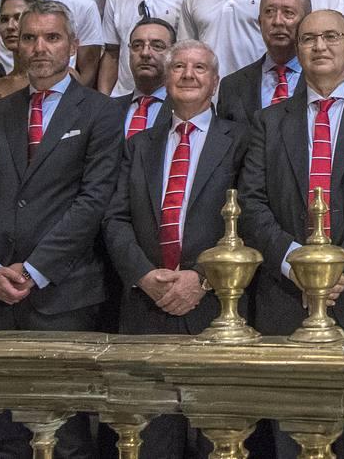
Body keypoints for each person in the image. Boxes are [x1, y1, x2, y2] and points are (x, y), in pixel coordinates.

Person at [239, 10, 344, 459]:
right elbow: (252, 202)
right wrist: (298, 266)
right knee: (294, 432)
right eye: (308, 39)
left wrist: (340, 268)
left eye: (331, 37)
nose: (320, 46)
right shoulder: (269, 120)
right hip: (286, 297)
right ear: (296, 51)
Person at [0, 1, 122, 459]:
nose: (39, 47)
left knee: (61, 429)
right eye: (29, 37)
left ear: (72, 46)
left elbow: (93, 201)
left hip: (63, 292)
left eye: (51, 38)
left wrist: (35, 269)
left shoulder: (101, 113)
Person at [105, 39, 247, 459]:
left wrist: (204, 279)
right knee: (150, 442)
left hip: (218, 310)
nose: (188, 74)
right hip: (146, 306)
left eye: (199, 68)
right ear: (165, 80)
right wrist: (143, 274)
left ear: (215, 81)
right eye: (179, 67)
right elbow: (114, 218)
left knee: (218, 442)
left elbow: (253, 217)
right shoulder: (139, 145)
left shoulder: (240, 140)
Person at [214, 0, 311, 125]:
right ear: (260, 22)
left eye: (288, 13)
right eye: (269, 12)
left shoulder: (322, 79)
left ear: (306, 22)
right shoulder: (232, 86)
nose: (277, 21)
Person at [113, 18, 176, 139]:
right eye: (137, 46)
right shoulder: (109, 109)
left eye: (157, 46)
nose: (145, 53)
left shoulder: (183, 110)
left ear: (173, 54)